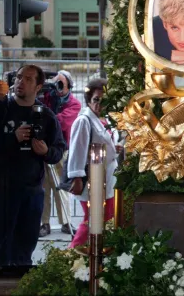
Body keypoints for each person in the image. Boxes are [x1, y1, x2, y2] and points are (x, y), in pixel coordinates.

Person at [0, 65, 65, 265]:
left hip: (31, 192)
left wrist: (46, 152)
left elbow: (58, 150)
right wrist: (12, 138)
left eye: (27, 79)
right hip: (1, 191)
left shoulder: (46, 116)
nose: (20, 82)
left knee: (24, 250)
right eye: (18, 77)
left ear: (38, 86)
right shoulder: (1, 109)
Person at [67, 79, 119, 248]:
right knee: (93, 218)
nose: (99, 104)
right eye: (96, 99)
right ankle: (72, 253)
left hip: (107, 179)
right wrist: (76, 177)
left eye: (104, 100)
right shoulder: (84, 120)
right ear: (89, 100)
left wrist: (115, 148)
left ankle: (95, 250)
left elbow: (106, 144)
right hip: (91, 180)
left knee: (106, 216)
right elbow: (77, 149)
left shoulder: (106, 120)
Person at [39, 70, 81, 237]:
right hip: (43, 147)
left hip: (60, 148)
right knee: (44, 187)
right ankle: (44, 223)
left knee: (60, 187)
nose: (58, 87)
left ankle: (65, 222)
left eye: (61, 83)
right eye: (56, 83)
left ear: (69, 85)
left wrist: (46, 117)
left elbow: (61, 122)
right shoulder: (47, 97)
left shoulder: (74, 104)